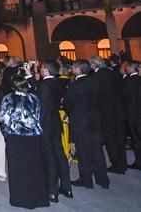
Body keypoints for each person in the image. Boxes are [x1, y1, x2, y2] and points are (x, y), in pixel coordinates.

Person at [0, 71, 50, 208]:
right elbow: (39, 114)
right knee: (34, 166)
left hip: (16, 137)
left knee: (17, 168)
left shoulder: (8, 99)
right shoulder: (34, 98)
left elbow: (3, 119)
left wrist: (6, 133)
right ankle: (38, 197)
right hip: (33, 136)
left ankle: (20, 198)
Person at [64, 59, 109, 189]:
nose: (72, 69)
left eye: (74, 67)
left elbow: (69, 103)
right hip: (94, 119)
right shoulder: (95, 82)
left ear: (78, 69)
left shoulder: (75, 85)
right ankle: (103, 179)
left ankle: (86, 179)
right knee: (97, 150)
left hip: (80, 120)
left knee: (83, 150)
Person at [37, 60, 72, 201]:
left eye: (41, 68)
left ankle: (52, 190)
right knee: (59, 153)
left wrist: (38, 124)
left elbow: (43, 108)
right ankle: (66, 187)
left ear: (46, 69)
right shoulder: (59, 83)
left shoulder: (44, 85)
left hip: (46, 123)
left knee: (49, 155)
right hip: (55, 120)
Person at [89, 56, 127, 174]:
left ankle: (116, 164)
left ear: (94, 65)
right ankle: (122, 162)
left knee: (110, 139)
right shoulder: (113, 73)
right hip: (118, 110)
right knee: (119, 138)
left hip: (105, 112)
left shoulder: (96, 77)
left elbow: (95, 96)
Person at [121, 61, 141, 169]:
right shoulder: (138, 80)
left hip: (132, 114)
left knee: (136, 140)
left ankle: (139, 162)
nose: (125, 69)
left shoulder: (128, 81)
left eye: (127, 67)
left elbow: (124, 98)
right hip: (137, 113)